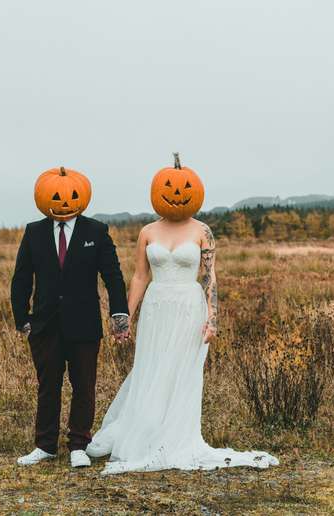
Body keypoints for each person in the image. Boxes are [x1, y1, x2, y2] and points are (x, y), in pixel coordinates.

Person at [86, 154, 279, 474]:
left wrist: (213, 318)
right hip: (156, 307)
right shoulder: (148, 231)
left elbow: (209, 276)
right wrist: (125, 317)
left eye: (184, 188)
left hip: (189, 308)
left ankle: (175, 437)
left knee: (181, 372)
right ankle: (147, 432)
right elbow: (140, 277)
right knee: (151, 368)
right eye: (170, 187)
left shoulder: (203, 231)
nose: (177, 193)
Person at [11, 166, 129, 469]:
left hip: (84, 324)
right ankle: (45, 445)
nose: (64, 202)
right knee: (48, 385)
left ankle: (79, 444)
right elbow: (21, 278)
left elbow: (113, 277)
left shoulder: (96, 231)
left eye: (72, 195)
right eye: (56, 196)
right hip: (45, 325)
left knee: (84, 385)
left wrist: (119, 315)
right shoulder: (34, 232)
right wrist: (22, 318)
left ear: (83, 196)